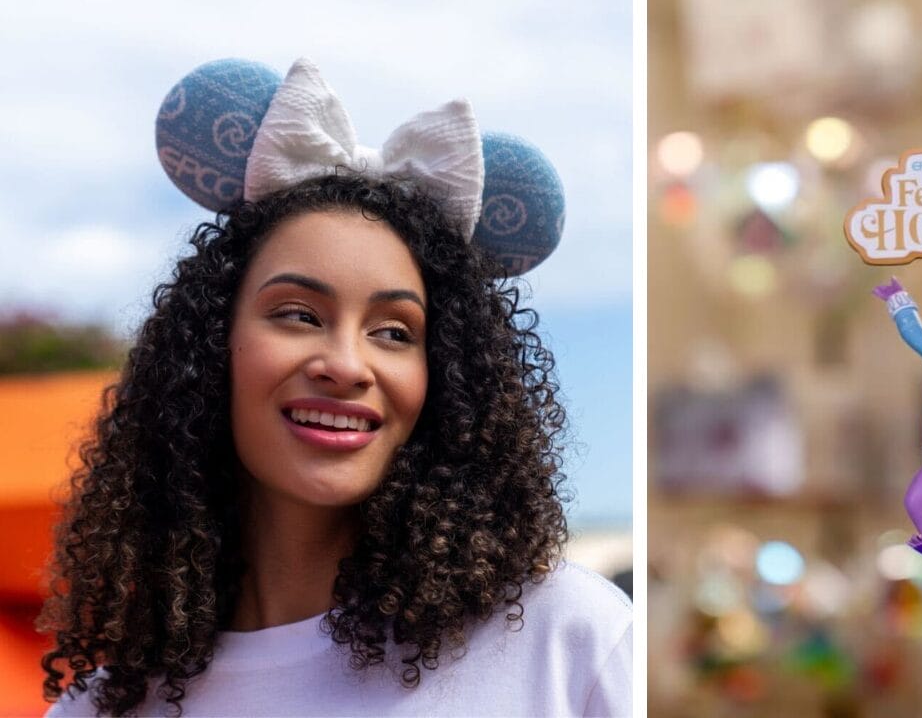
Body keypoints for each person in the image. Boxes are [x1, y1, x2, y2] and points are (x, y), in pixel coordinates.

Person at [38, 173, 632, 717]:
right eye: (298, 315)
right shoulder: (103, 707)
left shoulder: (570, 640)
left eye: (394, 332)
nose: (348, 365)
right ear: (210, 349)